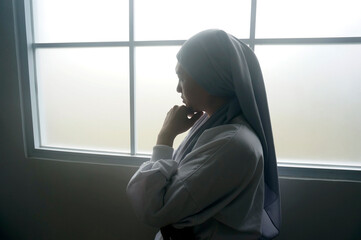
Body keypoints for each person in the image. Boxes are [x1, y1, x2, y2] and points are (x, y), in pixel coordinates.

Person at [126, 29, 280, 240]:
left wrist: (165, 137)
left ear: (210, 78)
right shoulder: (218, 126)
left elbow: (152, 208)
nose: (177, 88)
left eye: (182, 77)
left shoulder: (231, 143)